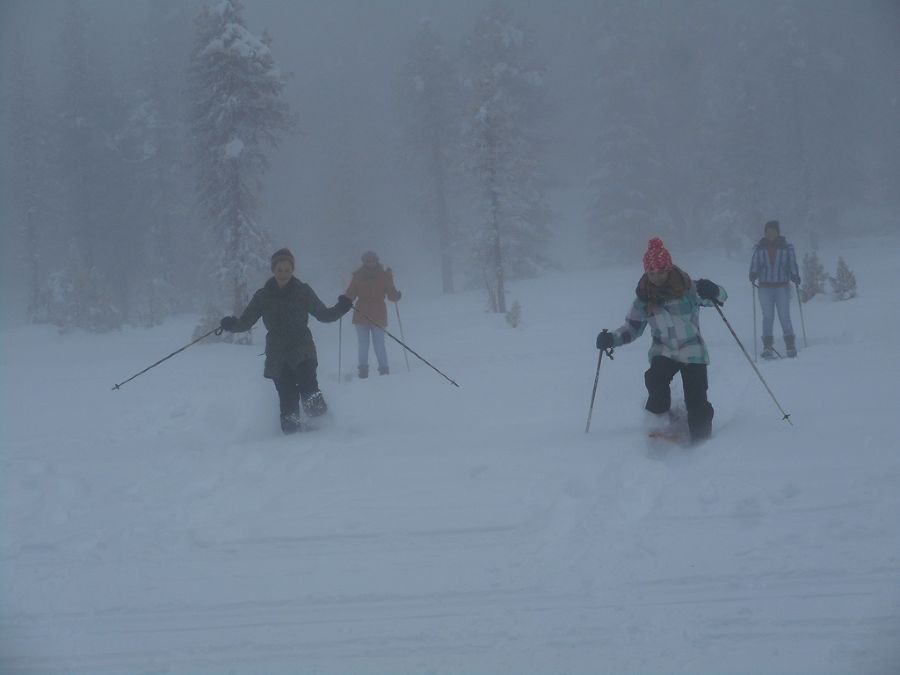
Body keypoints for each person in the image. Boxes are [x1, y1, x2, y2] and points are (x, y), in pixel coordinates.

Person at [596, 237, 727, 444]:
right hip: (663, 351)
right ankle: (660, 425)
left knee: (696, 396)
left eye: (660, 272)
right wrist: (611, 339)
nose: (656, 277)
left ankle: (701, 437)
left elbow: (721, 298)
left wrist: (713, 290)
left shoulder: (689, 289)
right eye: (652, 273)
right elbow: (632, 329)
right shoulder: (643, 299)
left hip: (693, 351)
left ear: (669, 269)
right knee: (655, 380)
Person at [219, 248, 353, 434]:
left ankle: (321, 427)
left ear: (292, 270)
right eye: (279, 270)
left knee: (308, 385)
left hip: (302, 347)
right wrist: (231, 325)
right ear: (273, 270)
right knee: (287, 395)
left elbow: (324, 315)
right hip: (277, 353)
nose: (283, 274)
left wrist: (342, 307)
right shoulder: (262, 296)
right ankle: (291, 433)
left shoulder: (302, 291)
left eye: (287, 270)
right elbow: (246, 321)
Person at [344, 251, 401, 378]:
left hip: (378, 313)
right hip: (361, 314)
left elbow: (391, 295)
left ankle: (384, 369)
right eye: (367, 260)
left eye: (372, 260)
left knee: (379, 344)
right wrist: (344, 300)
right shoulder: (357, 276)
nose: (370, 263)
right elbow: (351, 294)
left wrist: (396, 295)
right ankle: (363, 371)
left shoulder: (385, 275)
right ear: (363, 261)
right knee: (363, 345)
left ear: (377, 260)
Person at [748, 220, 801, 358]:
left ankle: (790, 344)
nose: (770, 233)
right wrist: (753, 273)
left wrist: (795, 274)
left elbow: (792, 263)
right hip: (765, 287)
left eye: (772, 231)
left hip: (782, 286)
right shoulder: (760, 248)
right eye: (767, 231)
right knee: (768, 316)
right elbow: (755, 264)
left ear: (778, 232)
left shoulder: (787, 247)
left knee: (784, 315)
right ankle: (767, 346)